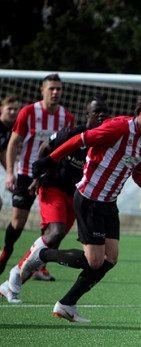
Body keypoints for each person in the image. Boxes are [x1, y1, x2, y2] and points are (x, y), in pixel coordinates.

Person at [20, 91, 141, 323]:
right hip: (89, 199)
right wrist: (49, 160)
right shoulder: (118, 128)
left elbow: (139, 174)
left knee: (111, 258)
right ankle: (41, 254)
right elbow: (78, 140)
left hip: (109, 203)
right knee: (95, 261)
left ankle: (67, 304)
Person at [0, 95, 109, 304]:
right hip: (53, 188)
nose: (102, 115)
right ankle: (14, 275)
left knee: (54, 240)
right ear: (87, 114)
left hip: (76, 196)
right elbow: (44, 148)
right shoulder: (73, 134)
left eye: (105, 111)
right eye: (97, 111)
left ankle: (13, 281)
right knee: (55, 232)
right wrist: (38, 177)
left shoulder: (106, 142)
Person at [0, 74, 74, 279]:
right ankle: (6, 253)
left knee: (55, 226)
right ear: (43, 91)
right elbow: (14, 143)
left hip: (51, 177)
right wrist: (9, 172)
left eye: (58, 88)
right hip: (25, 173)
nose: (55, 92)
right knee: (18, 223)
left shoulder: (66, 117)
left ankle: (39, 266)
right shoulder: (28, 112)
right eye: (51, 88)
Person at [0, 95, 21, 212]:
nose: (13, 112)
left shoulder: (10, 129)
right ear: (1, 109)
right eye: (9, 109)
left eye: (15, 109)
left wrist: (10, 174)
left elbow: (2, 153)